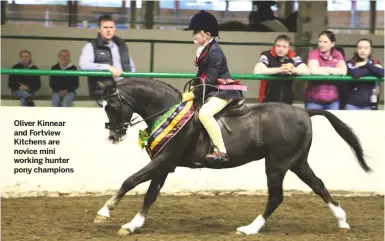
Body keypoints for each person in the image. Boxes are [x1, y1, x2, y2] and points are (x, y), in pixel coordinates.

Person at [182, 10, 247, 163]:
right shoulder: (205, 50)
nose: (193, 35)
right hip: (212, 89)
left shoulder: (215, 52)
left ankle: (221, 151)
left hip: (223, 91)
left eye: (196, 32)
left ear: (207, 34)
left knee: (204, 113)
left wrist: (193, 94)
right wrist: (192, 89)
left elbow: (210, 79)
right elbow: (201, 75)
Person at [79, 14, 136, 107]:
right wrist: (108, 68)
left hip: (124, 91)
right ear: (98, 29)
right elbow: (84, 65)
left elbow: (131, 66)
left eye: (111, 27)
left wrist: (133, 82)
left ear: (114, 29)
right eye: (105, 27)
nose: (108, 30)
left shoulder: (121, 45)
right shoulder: (91, 45)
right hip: (103, 93)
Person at [254, 34, 310, 104]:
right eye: (278, 46)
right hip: (268, 99)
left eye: (284, 47)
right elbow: (257, 71)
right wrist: (280, 70)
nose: (281, 49)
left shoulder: (293, 56)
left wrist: (293, 70)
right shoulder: (266, 55)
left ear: (288, 48)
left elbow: (306, 71)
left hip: (287, 99)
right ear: (274, 46)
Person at [305, 30, 347, 110]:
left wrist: (322, 69)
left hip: (333, 101)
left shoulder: (338, 54)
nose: (321, 44)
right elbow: (314, 71)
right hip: (314, 101)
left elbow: (343, 71)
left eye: (325, 42)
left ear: (332, 44)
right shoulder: (314, 53)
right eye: (320, 41)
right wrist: (334, 71)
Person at [345, 38, 384, 110]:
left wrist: (366, 64)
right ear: (357, 49)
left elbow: (382, 73)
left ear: (370, 50)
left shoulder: (375, 62)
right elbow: (356, 73)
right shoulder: (351, 62)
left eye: (366, 48)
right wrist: (373, 70)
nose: (362, 50)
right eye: (360, 48)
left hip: (368, 104)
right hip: (352, 104)